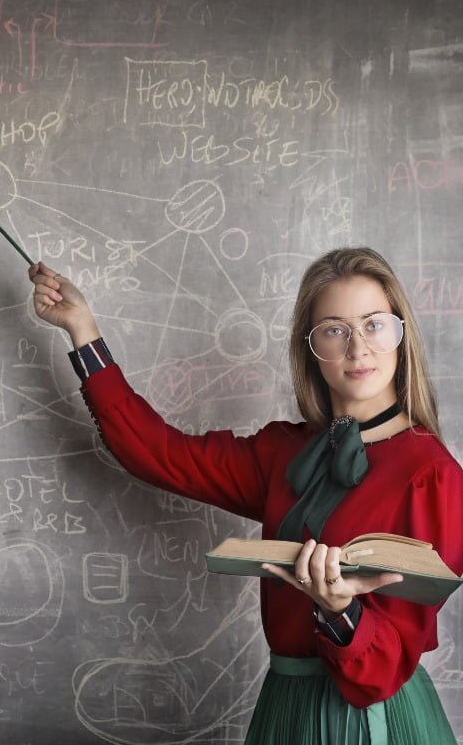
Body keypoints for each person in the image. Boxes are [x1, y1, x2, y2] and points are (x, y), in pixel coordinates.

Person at [28, 247, 463, 744]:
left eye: (374, 324)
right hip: (283, 708)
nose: (358, 349)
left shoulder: (432, 475)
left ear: (401, 335)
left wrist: (341, 612)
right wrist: (84, 331)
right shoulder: (284, 452)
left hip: (369, 720)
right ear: (311, 348)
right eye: (335, 330)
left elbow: (385, 671)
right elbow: (156, 452)